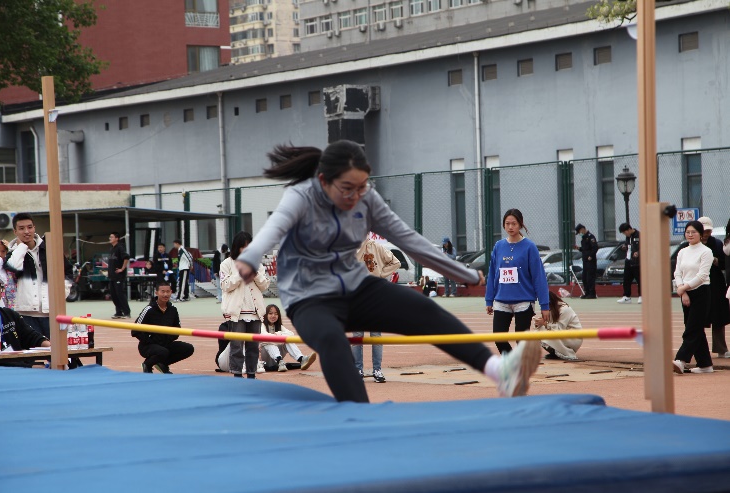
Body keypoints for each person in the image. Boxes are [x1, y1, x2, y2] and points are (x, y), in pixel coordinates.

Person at [232, 140, 541, 403]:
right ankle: (360, 416)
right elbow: (275, 226)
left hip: (354, 288)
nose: (355, 197)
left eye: (362, 187)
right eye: (347, 189)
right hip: (308, 298)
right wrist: (251, 257)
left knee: (423, 308)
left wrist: (462, 273)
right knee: (331, 339)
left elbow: (409, 240)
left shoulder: (367, 199)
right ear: (324, 181)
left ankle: (500, 372)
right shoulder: (302, 196)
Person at [486, 209, 550, 355]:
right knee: (498, 337)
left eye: (514, 224)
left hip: (523, 301)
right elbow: (493, 274)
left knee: (521, 340)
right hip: (502, 300)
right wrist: (489, 299)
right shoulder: (498, 246)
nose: (510, 227)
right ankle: (513, 362)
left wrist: (544, 305)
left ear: (520, 224)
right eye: (507, 224)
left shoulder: (529, 247)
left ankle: (521, 363)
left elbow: (539, 277)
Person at [220, 231, 270, 379]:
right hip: (236, 312)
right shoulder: (227, 263)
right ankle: (237, 375)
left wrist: (255, 273)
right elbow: (225, 285)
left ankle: (251, 374)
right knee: (236, 346)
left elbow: (265, 286)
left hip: (255, 311)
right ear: (237, 247)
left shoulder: (257, 264)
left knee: (253, 346)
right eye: (243, 247)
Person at [351, 237, 401, 383]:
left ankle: (377, 370)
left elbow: (396, 262)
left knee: (376, 336)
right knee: (357, 336)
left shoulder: (377, 247)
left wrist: (381, 273)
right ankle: (358, 369)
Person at [672, 221, 714, 375]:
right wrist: (682, 291)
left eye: (694, 232)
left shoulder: (706, 251)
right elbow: (677, 273)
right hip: (685, 292)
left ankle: (681, 360)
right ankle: (705, 364)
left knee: (692, 328)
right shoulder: (682, 251)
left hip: (701, 291)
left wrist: (684, 288)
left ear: (701, 234)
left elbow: (702, 275)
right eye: (688, 232)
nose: (690, 235)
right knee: (695, 328)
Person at [4, 213, 51, 338]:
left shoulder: (48, 249)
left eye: (30, 227)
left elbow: (66, 273)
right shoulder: (12, 254)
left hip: (50, 311)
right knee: (31, 348)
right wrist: (22, 247)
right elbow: (14, 268)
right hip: (25, 313)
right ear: (15, 231)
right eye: (21, 228)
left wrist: (62, 294)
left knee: (55, 348)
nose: (26, 231)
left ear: (34, 228)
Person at [132, 281, 194, 373]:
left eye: (168, 292)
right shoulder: (149, 309)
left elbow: (177, 329)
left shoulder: (173, 309)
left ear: (171, 292)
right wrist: (149, 340)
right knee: (162, 352)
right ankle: (147, 364)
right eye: (163, 291)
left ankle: (162, 364)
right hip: (148, 345)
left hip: (166, 344)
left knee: (188, 348)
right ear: (156, 293)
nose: (165, 294)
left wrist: (169, 339)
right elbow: (134, 330)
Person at [0, 271, 51, 366]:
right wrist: (30, 367)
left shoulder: (10, 314)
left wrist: (50, 346)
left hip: (20, 365)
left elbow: (30, 336)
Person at [697, 216, 730, 359]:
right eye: (703, 231)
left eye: (708, 231)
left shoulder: (717, 243)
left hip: (715, 284)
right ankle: (697, 349)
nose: (706, 234)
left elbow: (725, 263)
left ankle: (721, 348)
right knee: (697, 318)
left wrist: (716, 261)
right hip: (697, 284)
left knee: (718, 317)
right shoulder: (690, 245)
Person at [259, 304, 317, 372]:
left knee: (288, 340)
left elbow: (291, 334)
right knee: (268, 343)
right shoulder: (261, 325)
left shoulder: (279, 326)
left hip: (278, 361)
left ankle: (301, 359)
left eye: (276, 314)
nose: (273, 316)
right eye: (270, 313)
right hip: (265, 360)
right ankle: (279, 361)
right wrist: (279, 339)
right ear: (265, 315)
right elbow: (264, 337)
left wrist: (278, 334)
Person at [532, 291, 583, 361]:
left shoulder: (564, 309)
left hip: (574, 337)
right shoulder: (550, 309)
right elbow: (551, 326)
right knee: (537, 332)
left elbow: (559, 329)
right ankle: (554, 352)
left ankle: (567, 353)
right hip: (563, 334)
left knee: (545, 333)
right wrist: (538, 323)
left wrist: (544, 323)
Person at [107, 232, 131, 319]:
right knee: (114, 295)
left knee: (120, 294)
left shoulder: (120, 248)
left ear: (117, 238)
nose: (110, 238)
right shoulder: (111, 248)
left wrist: (122, 268)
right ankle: (119, 312)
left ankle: (127, 312)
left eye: (112, 237)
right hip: (112, 276)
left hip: (119, 276)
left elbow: (126, 257)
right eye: (110, 237)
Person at [616, 223, 641, 304]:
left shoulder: (639, 235)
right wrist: (625, 247)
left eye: (625, 232)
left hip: (637, 262)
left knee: (639, 279)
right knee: (626, 280)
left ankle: (642, 296)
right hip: (628, 260)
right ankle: (626, 297)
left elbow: (644, 246)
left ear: (629, 229)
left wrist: (638, 252)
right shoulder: (628, 237)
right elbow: (628, 246)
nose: (624, 234)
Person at [575, 223, 598, 299]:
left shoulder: (591, 237)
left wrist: (591, 256)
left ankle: (592, 293)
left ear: (582, 229)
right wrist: (579, 248)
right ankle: (587, 292)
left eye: (579, 232)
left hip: (590, 261)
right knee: (584, 277)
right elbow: (585, 249)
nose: (580, 234)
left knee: (590, 277)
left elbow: (595, 247)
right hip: (585, 260)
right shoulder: (584, 238)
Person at [0, 239, 14, 308]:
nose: (0, 254)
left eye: (3, 251)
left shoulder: (9, 265)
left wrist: (10, 248)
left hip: (10, 304)